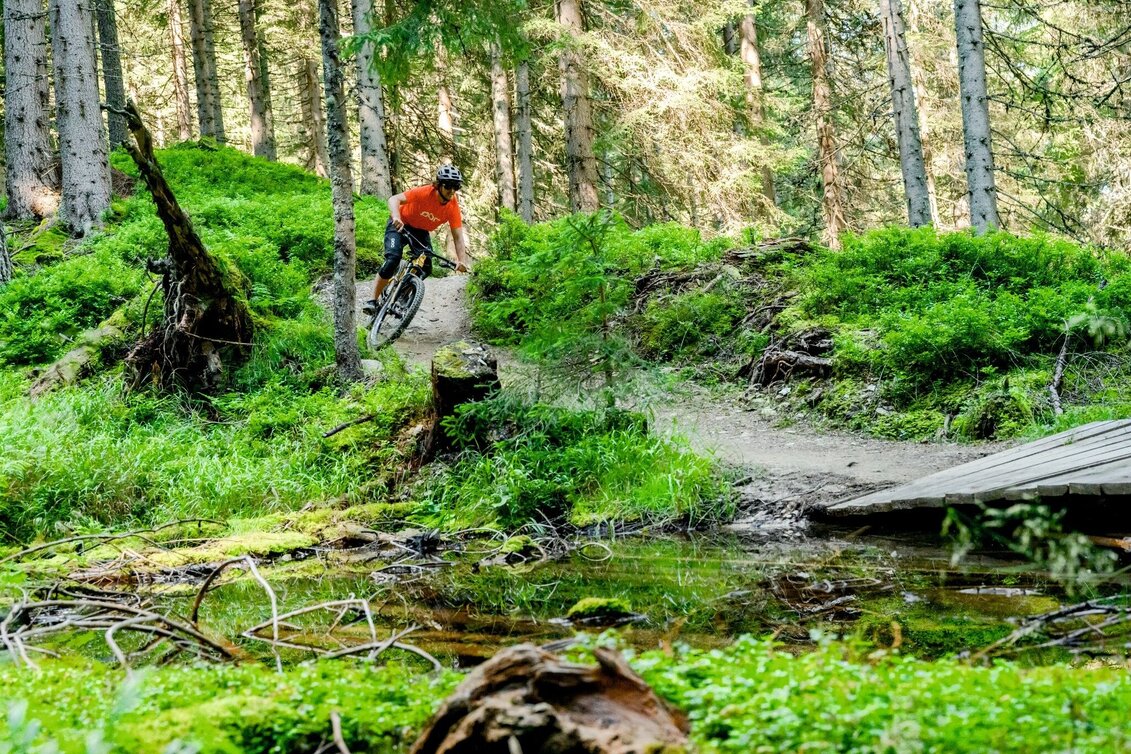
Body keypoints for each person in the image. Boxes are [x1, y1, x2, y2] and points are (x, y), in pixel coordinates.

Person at [363, 164, 471, 314]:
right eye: (448, 186)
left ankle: (402, 295)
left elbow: (458, 237)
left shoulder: (452, 207)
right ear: (439, 185)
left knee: (426, 267)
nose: (452, 190)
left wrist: (462, 261)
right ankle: (372, 301)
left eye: (456, 187)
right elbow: (394, 199)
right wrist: (396, 217)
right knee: (393, 259)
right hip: (400, 224)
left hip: (421, 231)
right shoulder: (425, 192)